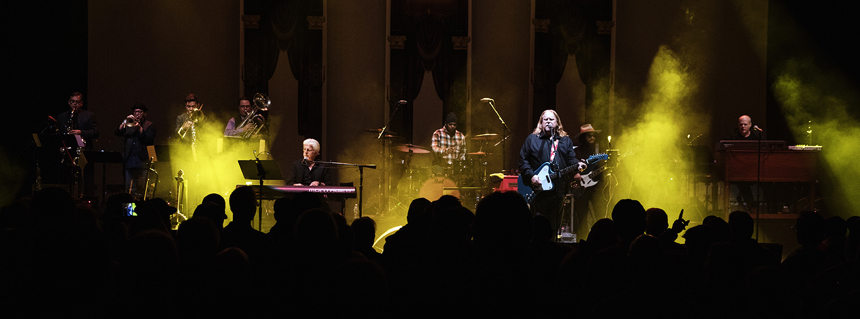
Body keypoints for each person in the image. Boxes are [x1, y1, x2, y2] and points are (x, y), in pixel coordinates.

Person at [519, 109, 581, 234]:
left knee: (554, 225)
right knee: (537, 224)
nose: (548, 122)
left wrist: (578, 165)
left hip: (557, 190)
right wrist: (531, 176)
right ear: (541, 123)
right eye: (545, 119)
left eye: (551, 119)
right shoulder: (532, 139)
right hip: (537, 189)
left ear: (557, 123)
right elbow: (522, 160)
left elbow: (571, 160)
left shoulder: (565, 141)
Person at [55, 92, 99, 197]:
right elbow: (58, 134)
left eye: (77, 102)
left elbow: (95, 132)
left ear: (81, 103)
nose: (74, 104)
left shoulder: (88, 115)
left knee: (85, 177)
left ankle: (84, 197)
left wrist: (81, 132)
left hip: (84, 151)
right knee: (67, 177)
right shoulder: (62, 117)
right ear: (69, 103)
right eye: (72, 102)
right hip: (67, 152)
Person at [114, 102, 156, 199]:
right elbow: (117, 133)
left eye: (140, 112)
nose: (137, 114)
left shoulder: (150, 125)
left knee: (144, 186)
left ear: (145, 113)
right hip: (129, 159)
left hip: (143, 159)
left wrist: (140, 129)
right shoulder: (129, 123)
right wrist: (123, 123)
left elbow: (149, 140)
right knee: (129, 187)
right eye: (135, 112)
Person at [572, 124, 604, 237]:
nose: (592, 138)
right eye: (589, 136)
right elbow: (571, 166)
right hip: (581, 189)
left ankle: (601, 238)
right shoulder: (575, 152)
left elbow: (603, 168)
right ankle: (582, 239)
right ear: (582, 138)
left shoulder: (599, 151)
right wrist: (575, 174)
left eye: (593, 136)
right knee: (581, 216)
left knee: (599, 215)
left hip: (596, 188)